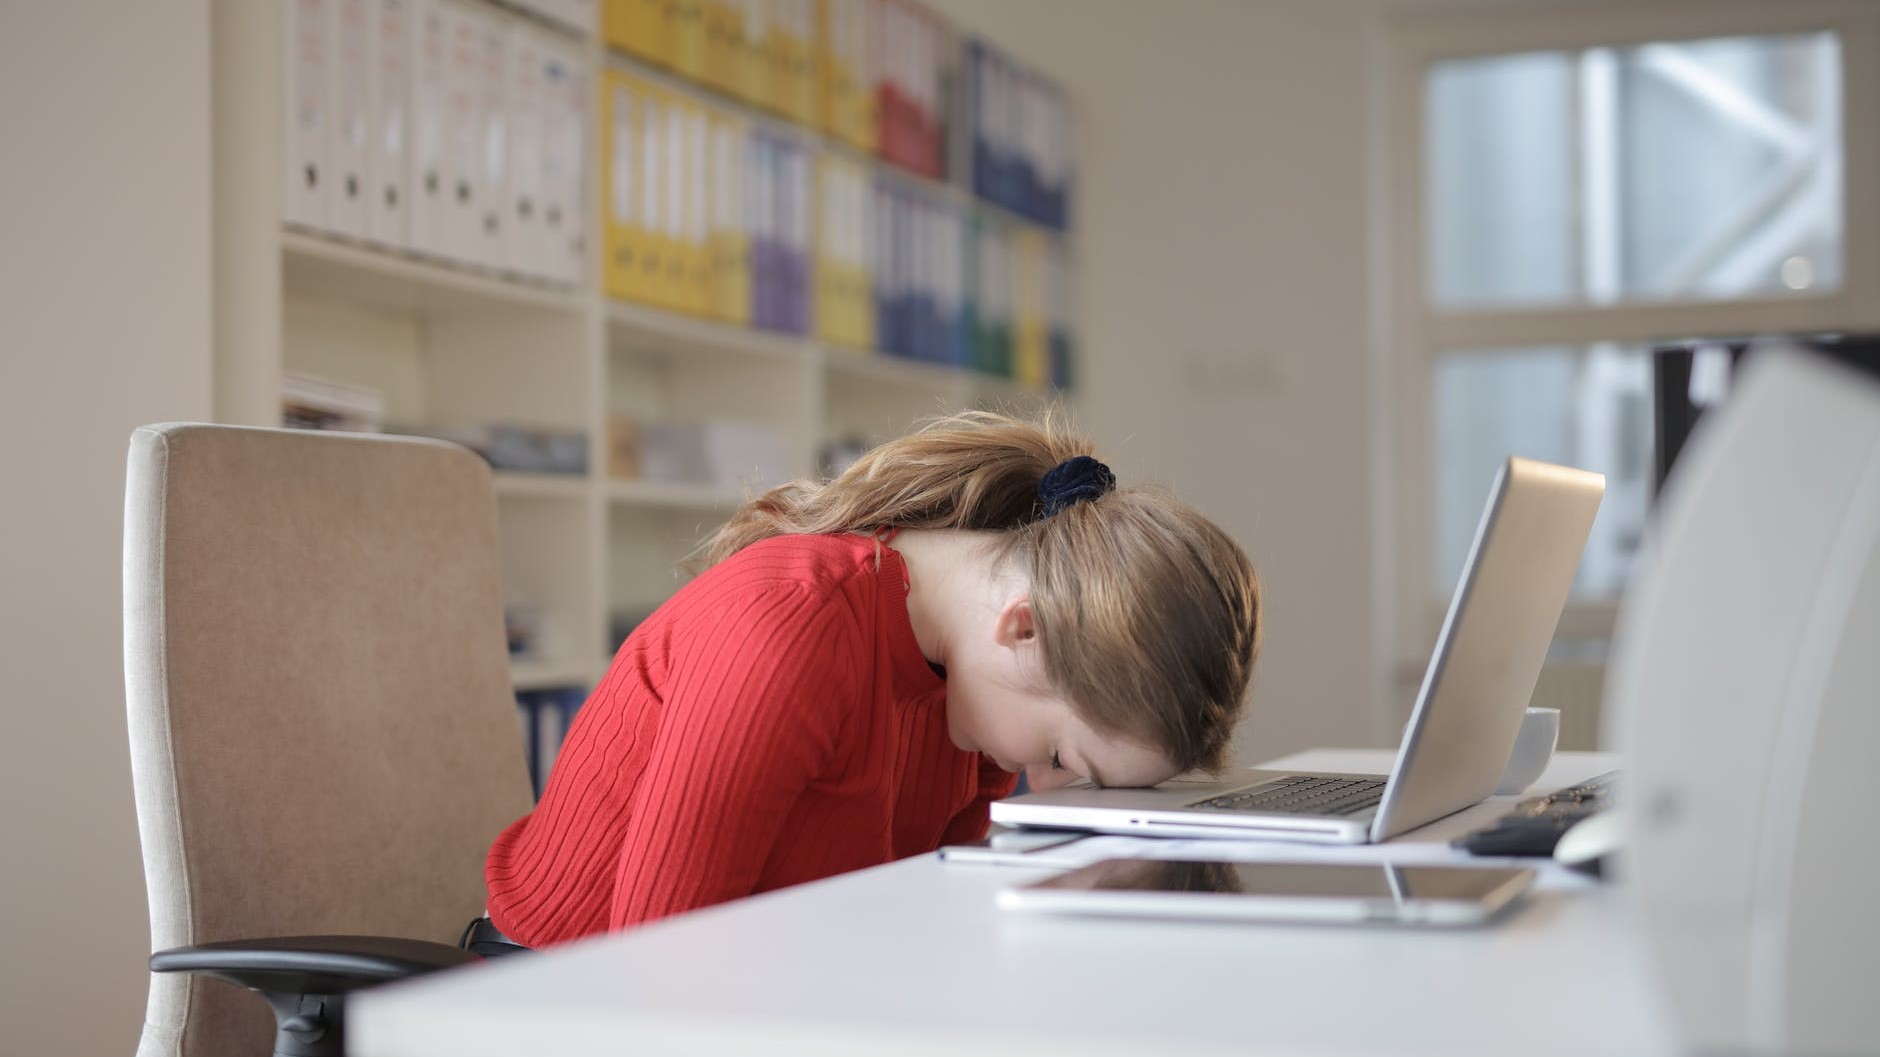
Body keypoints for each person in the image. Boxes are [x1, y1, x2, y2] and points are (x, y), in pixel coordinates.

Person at [480, 409, 1262, 948]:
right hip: (554, 994)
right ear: (1023, 628)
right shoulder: (790, 628)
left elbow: (917, 926)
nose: (1049, 791)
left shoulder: (977, 690)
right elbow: (657, 971)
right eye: (1065, 760)